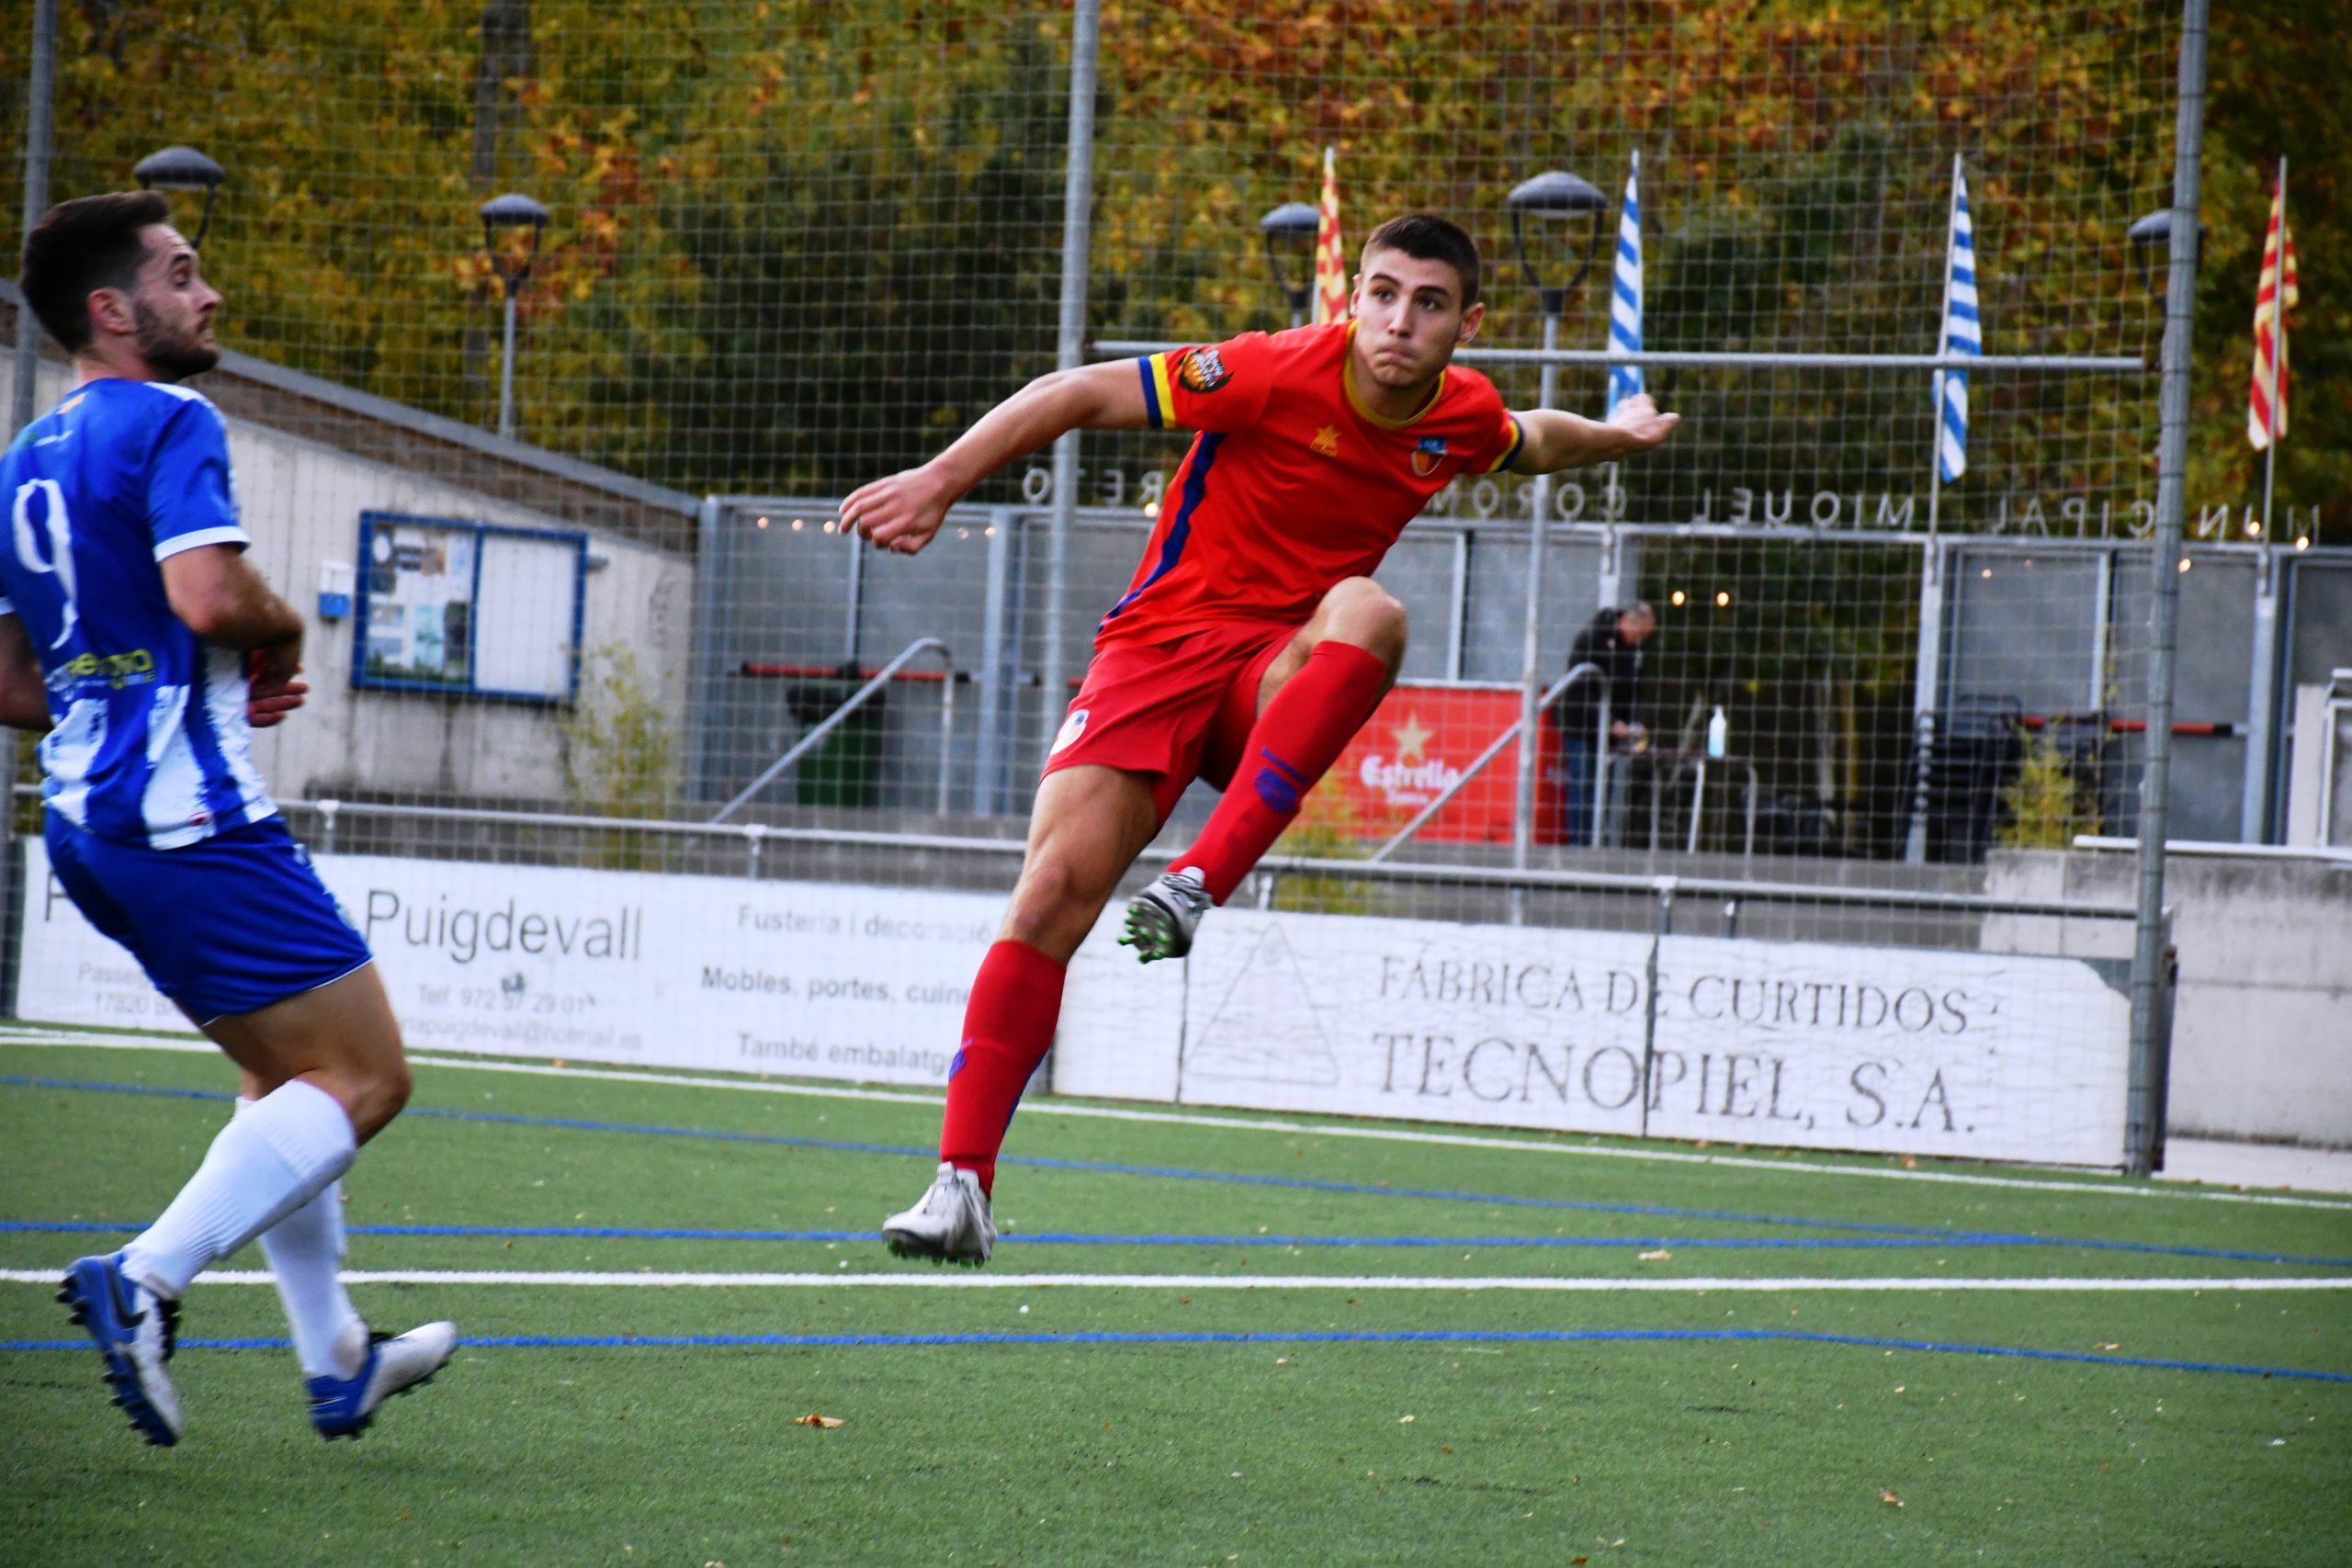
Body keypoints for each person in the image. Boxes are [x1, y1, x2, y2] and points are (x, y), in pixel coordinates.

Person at [842, 214, 1679, 1263]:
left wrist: (1621, 431)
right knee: (1052, 894)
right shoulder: (1269, 372)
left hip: (1274, 675)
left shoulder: (1458, 414)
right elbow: (1073, 392)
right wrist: (941, 480)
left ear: (1467, 323)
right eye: (1380, 293)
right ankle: (960, 1187)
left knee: (1371, 613)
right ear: (1353, 297)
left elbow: (1535, 438)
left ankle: (1196, 883)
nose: (1397, 321)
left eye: (1426, 304)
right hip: (1154, 654)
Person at [0, 193, 455, 1446]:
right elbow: (208, 593)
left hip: (89, 825)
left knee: (281, 1075)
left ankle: (336, 1357)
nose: (208, 297)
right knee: (365, 1077)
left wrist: (131, 690)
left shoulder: (25, 458)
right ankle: (141, 1278)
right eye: (183, 275)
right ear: (113, 312)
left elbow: (10, 683)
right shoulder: (173, 419)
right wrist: (283, 630)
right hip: (193, 818)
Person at [1556, 603, 1656, 845]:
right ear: (1628, 623)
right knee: (1583, 785)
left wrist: (1635, 722)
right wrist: (1610, 722)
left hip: (1609, 734)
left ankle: (1595, 842)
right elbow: (1581, 690)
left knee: (1603, 789)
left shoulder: (1633, 653)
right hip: (1581, 726)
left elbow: (1636, 692)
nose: (1640, 640)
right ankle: (1578, 843)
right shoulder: (1592, 639)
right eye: (1640, 634)